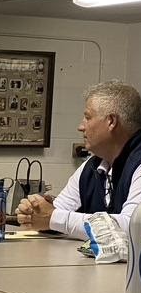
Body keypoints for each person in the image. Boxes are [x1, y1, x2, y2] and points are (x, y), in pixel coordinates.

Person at [17, 81, 141, 238]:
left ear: (111, 121)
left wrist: (52, 218)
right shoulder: (91, 166)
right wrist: (35, 213)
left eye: (87, 117)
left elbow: (131, 228)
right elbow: (58, 212)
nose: (81, 127)